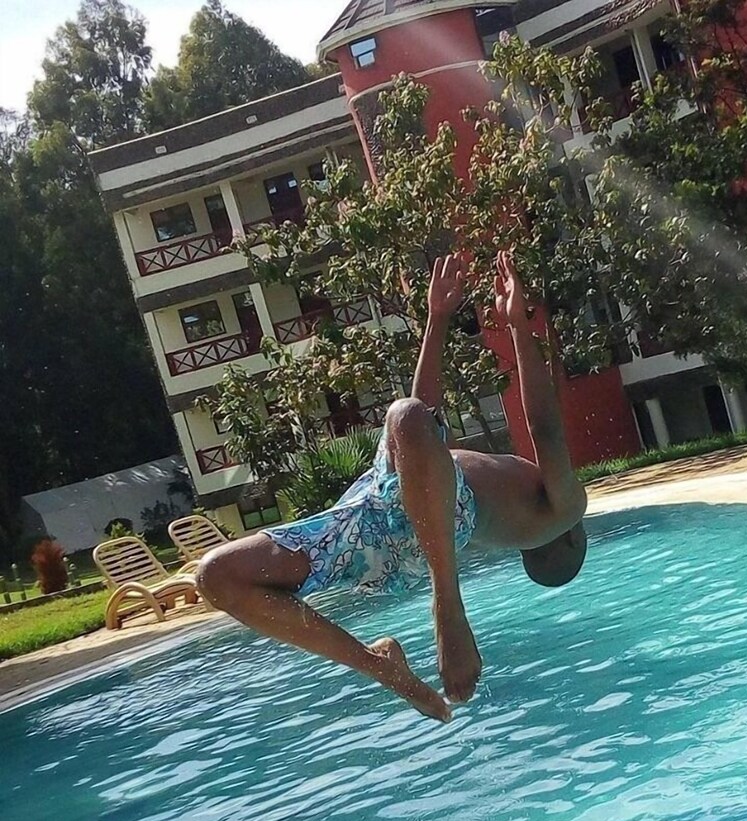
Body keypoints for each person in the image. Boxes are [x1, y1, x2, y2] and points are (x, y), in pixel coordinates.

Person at [198, 252, 588, 722]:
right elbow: (423, 429)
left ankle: (448, 609)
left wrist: (520, 327)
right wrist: (437, 318)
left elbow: (546, 430)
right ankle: (379, 665)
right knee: (215, 576)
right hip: (372, 515)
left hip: (410, 536)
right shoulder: (507, 502)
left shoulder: (562, 512)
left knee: (407, 415)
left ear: (570, 537)